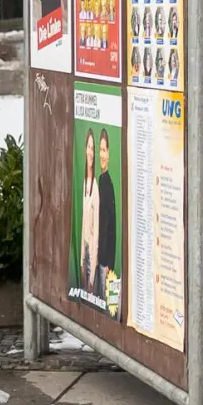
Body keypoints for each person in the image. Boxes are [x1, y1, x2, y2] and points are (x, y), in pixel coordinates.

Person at [95, 129, 118, 308]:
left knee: (107, 305)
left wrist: (108, 262)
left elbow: (111, 226)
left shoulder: (107, 184)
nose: (102, 155)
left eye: (105, 150)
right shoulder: (101, 180)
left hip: (105, 262)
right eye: (100, 150)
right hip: (99, 259)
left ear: (109, 153)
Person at [78, 131, 100, 296]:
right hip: (83, 255)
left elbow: (96, 233)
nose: (91, 152)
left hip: (91, 257)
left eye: (93, 148)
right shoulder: (84, 182)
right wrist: (80, 261)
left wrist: (91, 276)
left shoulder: (96, 189)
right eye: (89, 147)